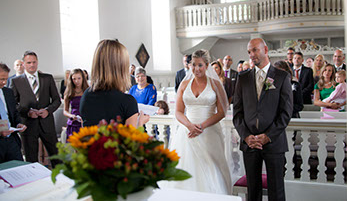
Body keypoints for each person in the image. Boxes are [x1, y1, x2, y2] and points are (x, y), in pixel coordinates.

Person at [164, 49, 232, 194]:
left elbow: (222, 112)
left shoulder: (215, 84)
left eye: (200, 65)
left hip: (209, 131)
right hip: (187, 132)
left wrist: (201, 126)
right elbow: (178, 111)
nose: (196, 69)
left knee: (211, 167)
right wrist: (189, 125)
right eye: (193, 65)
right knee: (186, 167)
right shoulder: (184, 84)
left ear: (207, 65)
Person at [233, 38, 293, 201]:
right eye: (249, 52)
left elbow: (286, 112)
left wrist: (268, 136)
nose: (251, 55)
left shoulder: (282, 76)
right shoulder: (243, 78)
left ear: (265, 50)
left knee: (277, 191)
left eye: (255, 50)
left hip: (274, 142)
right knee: (253, 191)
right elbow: (237, 113)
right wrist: (246, 136)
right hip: (250, 142)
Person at [80, 39, 148, 127]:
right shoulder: (127, 102)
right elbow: (130, 139)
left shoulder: (86, 95)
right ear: (121, 67)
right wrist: (140, 122)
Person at [10, 51, 61, 167]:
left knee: (57, 156)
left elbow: (57, 100)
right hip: (28, 125)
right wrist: (27, 112)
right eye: (29, 62)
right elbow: (13, 104)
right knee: (31, 160)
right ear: (23, 64)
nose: (32, 65)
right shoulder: (16, 81)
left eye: (34, 62)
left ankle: (62, 181)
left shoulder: (47, 78)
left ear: (37, 62)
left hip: (47, 123)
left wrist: (48, 110)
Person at [0, 63, 27, 163]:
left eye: (6, 79)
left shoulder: (8, 92)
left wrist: (18, 123)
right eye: (1, 79)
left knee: (19, 168)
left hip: (12, 140)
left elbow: (14, 112)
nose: (4, 82)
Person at [63, 69, 89, 140]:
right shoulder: (69, 92)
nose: (76, 81)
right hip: (73, 122)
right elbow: (65, 111)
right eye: (74, 79)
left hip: (85, 121)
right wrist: (71, 116)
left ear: (83, 78)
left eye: (79, 78)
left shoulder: (88, 91)